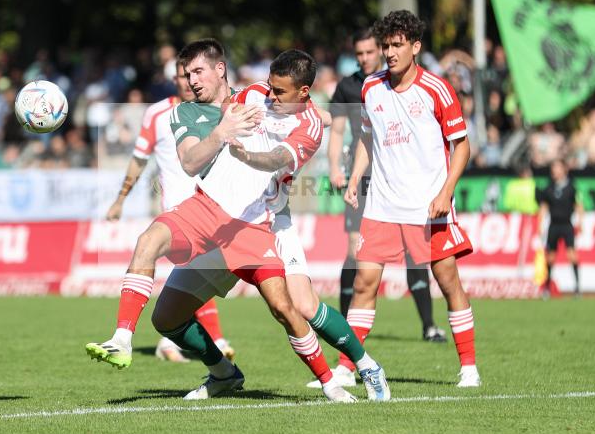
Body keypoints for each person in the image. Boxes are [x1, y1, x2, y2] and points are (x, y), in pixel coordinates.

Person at [87, 43, 387, 402]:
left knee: (300, 306)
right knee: (165, 315)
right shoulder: (255, 93)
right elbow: (221, 104)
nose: (269, 96)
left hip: (267, 221)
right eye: (269, 87)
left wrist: (248, 152)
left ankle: (362, 367)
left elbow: (277, 156)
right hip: (210, 214)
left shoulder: (308, 128)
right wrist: (210, 100)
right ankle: (209, 369)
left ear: (303, 92)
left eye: (279, 92)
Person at [344, 10, 481, 388]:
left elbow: (462, 147)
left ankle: (468, 367)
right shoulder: (371, 88)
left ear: (415, 47)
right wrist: (356, 175)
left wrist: (445, 192)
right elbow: (367, 136)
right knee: (364, 283)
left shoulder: (437, 89)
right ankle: (345, 367)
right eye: (385, 45)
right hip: (383, 205)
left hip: (428, 205)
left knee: (447, 279)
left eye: (397, 45)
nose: (389, 52)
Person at [328, 28, 447, 361]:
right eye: (360, 53)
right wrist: (336, 167)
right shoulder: (349, 86)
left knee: (415, 253)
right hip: (362, 177)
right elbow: (337, 130)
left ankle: (428, 324)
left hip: (397, 179)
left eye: (370, 52)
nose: (365, 57)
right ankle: (345, 332)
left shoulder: (389, 82)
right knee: (355, 252)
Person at [105, 61, 234, 363]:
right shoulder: (158, 113)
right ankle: (208, 340)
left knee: (195, 278)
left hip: (215, 207)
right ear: (174, 78)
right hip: (179, 213)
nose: (189, 81)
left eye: (194, 74)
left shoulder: (221, 108)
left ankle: (176, 340)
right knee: (190, 270)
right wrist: (120, 199)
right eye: (183, 75)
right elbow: (139, 159)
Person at [537, 159, 583, 298]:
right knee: (550, 257)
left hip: (567, 225)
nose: (554, 171)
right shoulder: (548, 188)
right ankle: (547, 287)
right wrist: (540, 224)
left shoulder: (571, 187)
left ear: (564, 170)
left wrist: (580, 222)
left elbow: (578, 206)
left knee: (572, 255)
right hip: (554, 225)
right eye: (553, 168)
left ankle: (577, 288)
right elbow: (544, 207)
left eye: (557, 168)